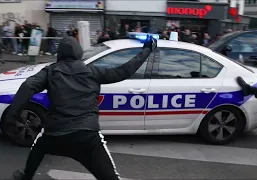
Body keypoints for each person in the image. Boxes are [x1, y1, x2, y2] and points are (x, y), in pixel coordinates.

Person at [9, 35, 157, 180]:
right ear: (79, 53)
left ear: (59, 54)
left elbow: (29, 85)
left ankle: (26, 176)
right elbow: (123, 71)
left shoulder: (50, 71)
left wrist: (14, 115)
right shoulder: (92, 71)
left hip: (55, 134)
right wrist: (146, 50)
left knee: (39, 145)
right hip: (87, 137)